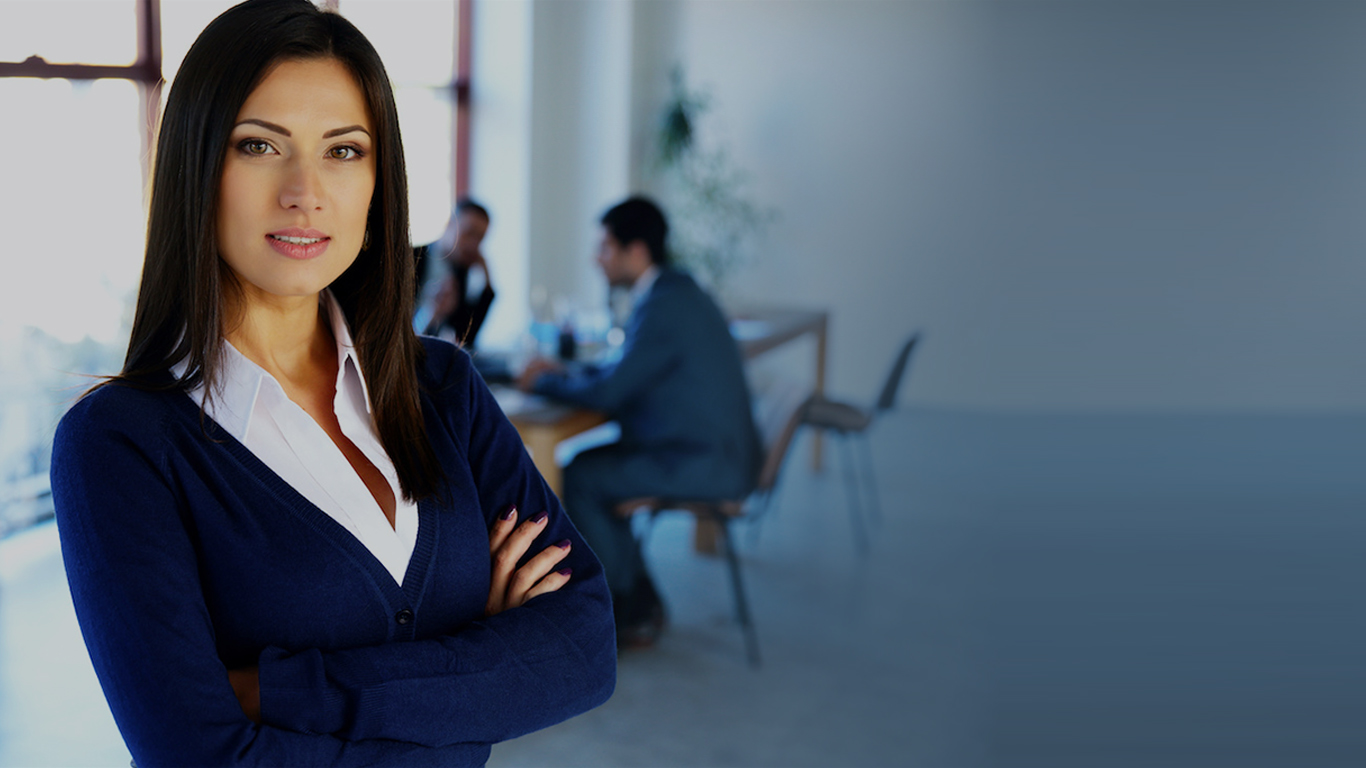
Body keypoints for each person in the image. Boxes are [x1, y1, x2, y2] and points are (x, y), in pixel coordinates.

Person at [49, 2, 614, 765]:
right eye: (258, 145)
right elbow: (200, 755)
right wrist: (480, 665)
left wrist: (275, 693)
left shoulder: (441, 385)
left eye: (344, 151)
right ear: (197, 165)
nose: (305, 192)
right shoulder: (120, 444)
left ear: (380, 180)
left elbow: (582, 648)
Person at [518, 196, 762, 648]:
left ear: (636, 252)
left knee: (585, 476)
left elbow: (612, 392)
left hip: (705, 462)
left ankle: (625, 609)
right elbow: (624, 370)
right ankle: (637, 602)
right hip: (709, 449)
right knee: (592, 470)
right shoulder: (677, 292)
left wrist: (541, 384)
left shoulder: (664, 305)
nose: (597, 257)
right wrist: (566, 374)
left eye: (606, 247)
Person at [415, 199, 495, 347]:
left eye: (480, 239)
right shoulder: (410, 259)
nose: (473, 245)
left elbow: (467, 340)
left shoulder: (462, 274)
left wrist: (487, 279)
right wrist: (430, 313)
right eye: (469, 234)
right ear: (449, 225)